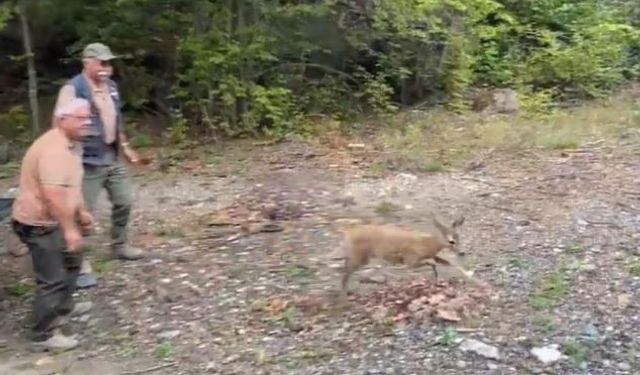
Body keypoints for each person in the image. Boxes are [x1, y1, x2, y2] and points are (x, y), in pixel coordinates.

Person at [11, 98, 95, 351]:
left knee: (73, 261)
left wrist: (81, 211)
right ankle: (42, 334)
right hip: (41, 223)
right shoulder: (53, 150)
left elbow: (71, 184)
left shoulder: (72, 145)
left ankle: (62, 308)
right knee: (53, 278)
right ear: (62, 120)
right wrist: (70, 229)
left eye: (89, 117)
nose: (88, 122)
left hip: (56, 219)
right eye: (81, 118)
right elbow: (53, 195)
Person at [54, 42, 144, 269]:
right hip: (86, 161)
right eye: (102, 62)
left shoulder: (111, 86)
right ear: (87, 62)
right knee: (81, 211)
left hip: (111, 157)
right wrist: (66, 156)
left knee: (124, 201)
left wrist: (125, 146)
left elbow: (116, 120)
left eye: (109, 62)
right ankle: (77, 258)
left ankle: (120, 245)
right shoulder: (73, 89)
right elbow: (60, 124)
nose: (107, 66)